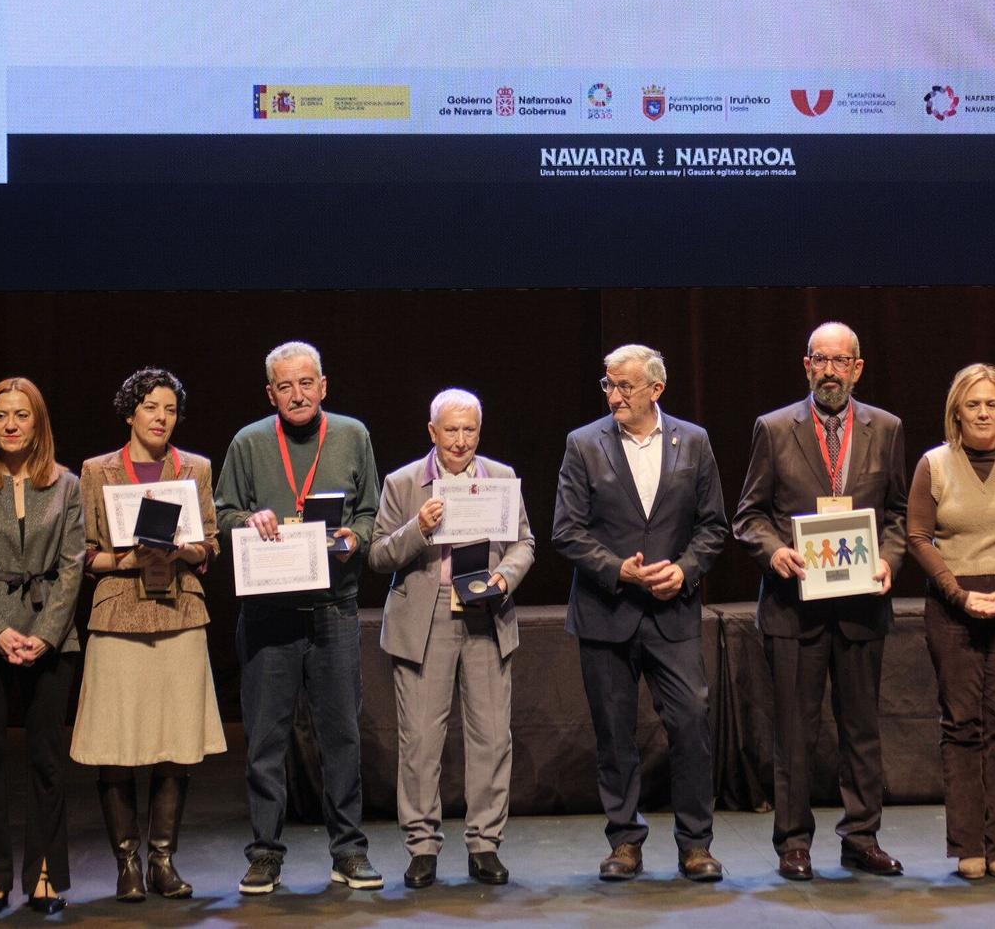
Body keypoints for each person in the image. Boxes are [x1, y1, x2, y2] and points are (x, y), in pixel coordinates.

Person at [731, 322, 908, 880]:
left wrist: (890, 559)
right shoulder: (775, 427)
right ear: (806, 365)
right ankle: (793, 842)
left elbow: (901, 515)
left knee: (861, 730)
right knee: (794, 732)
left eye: (840, 361)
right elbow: (748, 515)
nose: (829, 370)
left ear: (858, 368)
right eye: (819, 360)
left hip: (860, 607)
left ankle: (861, 837)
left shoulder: (887, 428)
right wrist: (775, 551)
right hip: (793, 608)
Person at [552, 344, 729, 882]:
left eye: (625, 386)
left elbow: (713, 526)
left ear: (656, 389)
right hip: (606, 611)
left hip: (672, 613)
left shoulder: (692, 441)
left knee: (692, 723)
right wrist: (618, 570)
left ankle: (695, 844)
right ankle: (624, 841)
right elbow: (566, 530)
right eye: (608, 384)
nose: (614, 395)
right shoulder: (583, 444)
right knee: (614, 733)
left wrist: (686, 569)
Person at [215, 340, 382, 896]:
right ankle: (265, 853)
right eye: (284, 386)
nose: (297, 394)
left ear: (323, 385)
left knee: (342, 737)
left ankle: (349, 851)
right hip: (268, 612)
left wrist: (354, 535)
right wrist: (249, 517)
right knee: (266, 739)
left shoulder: (354, 435)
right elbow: (221, 514)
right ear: (271, 393)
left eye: (306, 383)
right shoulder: (249, 442)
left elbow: (370, 513)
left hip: (333, 609)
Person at [368, 389, 536, 889]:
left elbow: (525, 542)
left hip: (486, 609)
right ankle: (422, 847)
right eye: (451, 430)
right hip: (426, 614)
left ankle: (484, 844)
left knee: (490, 735)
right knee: (420, 739)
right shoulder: (404, 483)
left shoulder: (501, 478)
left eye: (469, 431)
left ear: (478, 433)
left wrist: (505, 576)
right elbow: (377, 556)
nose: (460, 441)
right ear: (432, 432)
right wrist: (417, 529)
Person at [70, 368, 225, 901]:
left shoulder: (195, 469)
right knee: (117, 741)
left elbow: (212, 542)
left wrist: (186, 550)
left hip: (181, 611)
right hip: (118, 614)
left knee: (176, 743)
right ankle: (128, 863)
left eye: (170, 409)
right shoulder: (97, 471)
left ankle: (163, 859)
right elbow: (83, 553)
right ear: (130, 412)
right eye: (151, 408)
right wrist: (126, 558)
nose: (161, 418)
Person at [0, 377, 86, 915]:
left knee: (47, 758)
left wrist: (45, 635)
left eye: (21, 415)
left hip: (50, 631)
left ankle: (45, 873)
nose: (10, 424)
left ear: (37, 423)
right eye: (0, 415)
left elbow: (73, 565)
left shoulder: (66, 485)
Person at [906, 362, 995, 880]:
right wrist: (957, 592)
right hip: (952, 605)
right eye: (974, 405)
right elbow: (918, 536)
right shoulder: (934, 464)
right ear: (957, 412)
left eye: (992, 403)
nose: (984, 413)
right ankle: (967, 843)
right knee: (962, 725)